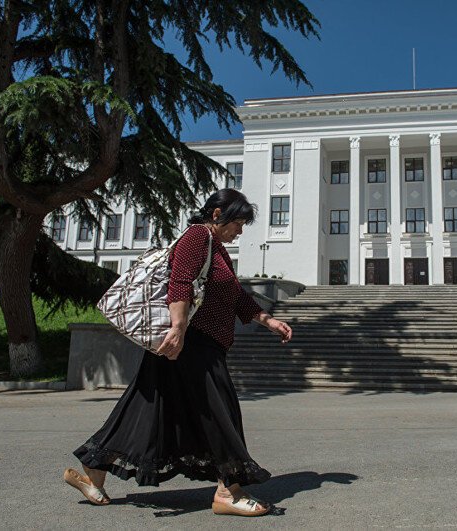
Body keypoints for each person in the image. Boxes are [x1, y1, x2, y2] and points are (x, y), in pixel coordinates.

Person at [64, 189, 293, 517]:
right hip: (191, 343)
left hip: (190, 343)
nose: (240, 231)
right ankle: (228, 492)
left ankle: (93, 476)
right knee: (221, 410)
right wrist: (177, 328)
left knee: (142, 410)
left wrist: (268, 320)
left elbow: (235, 296)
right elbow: (181, 283)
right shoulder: (197, 236)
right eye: (238, 223)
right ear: (217, 215)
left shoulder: (217, 249)